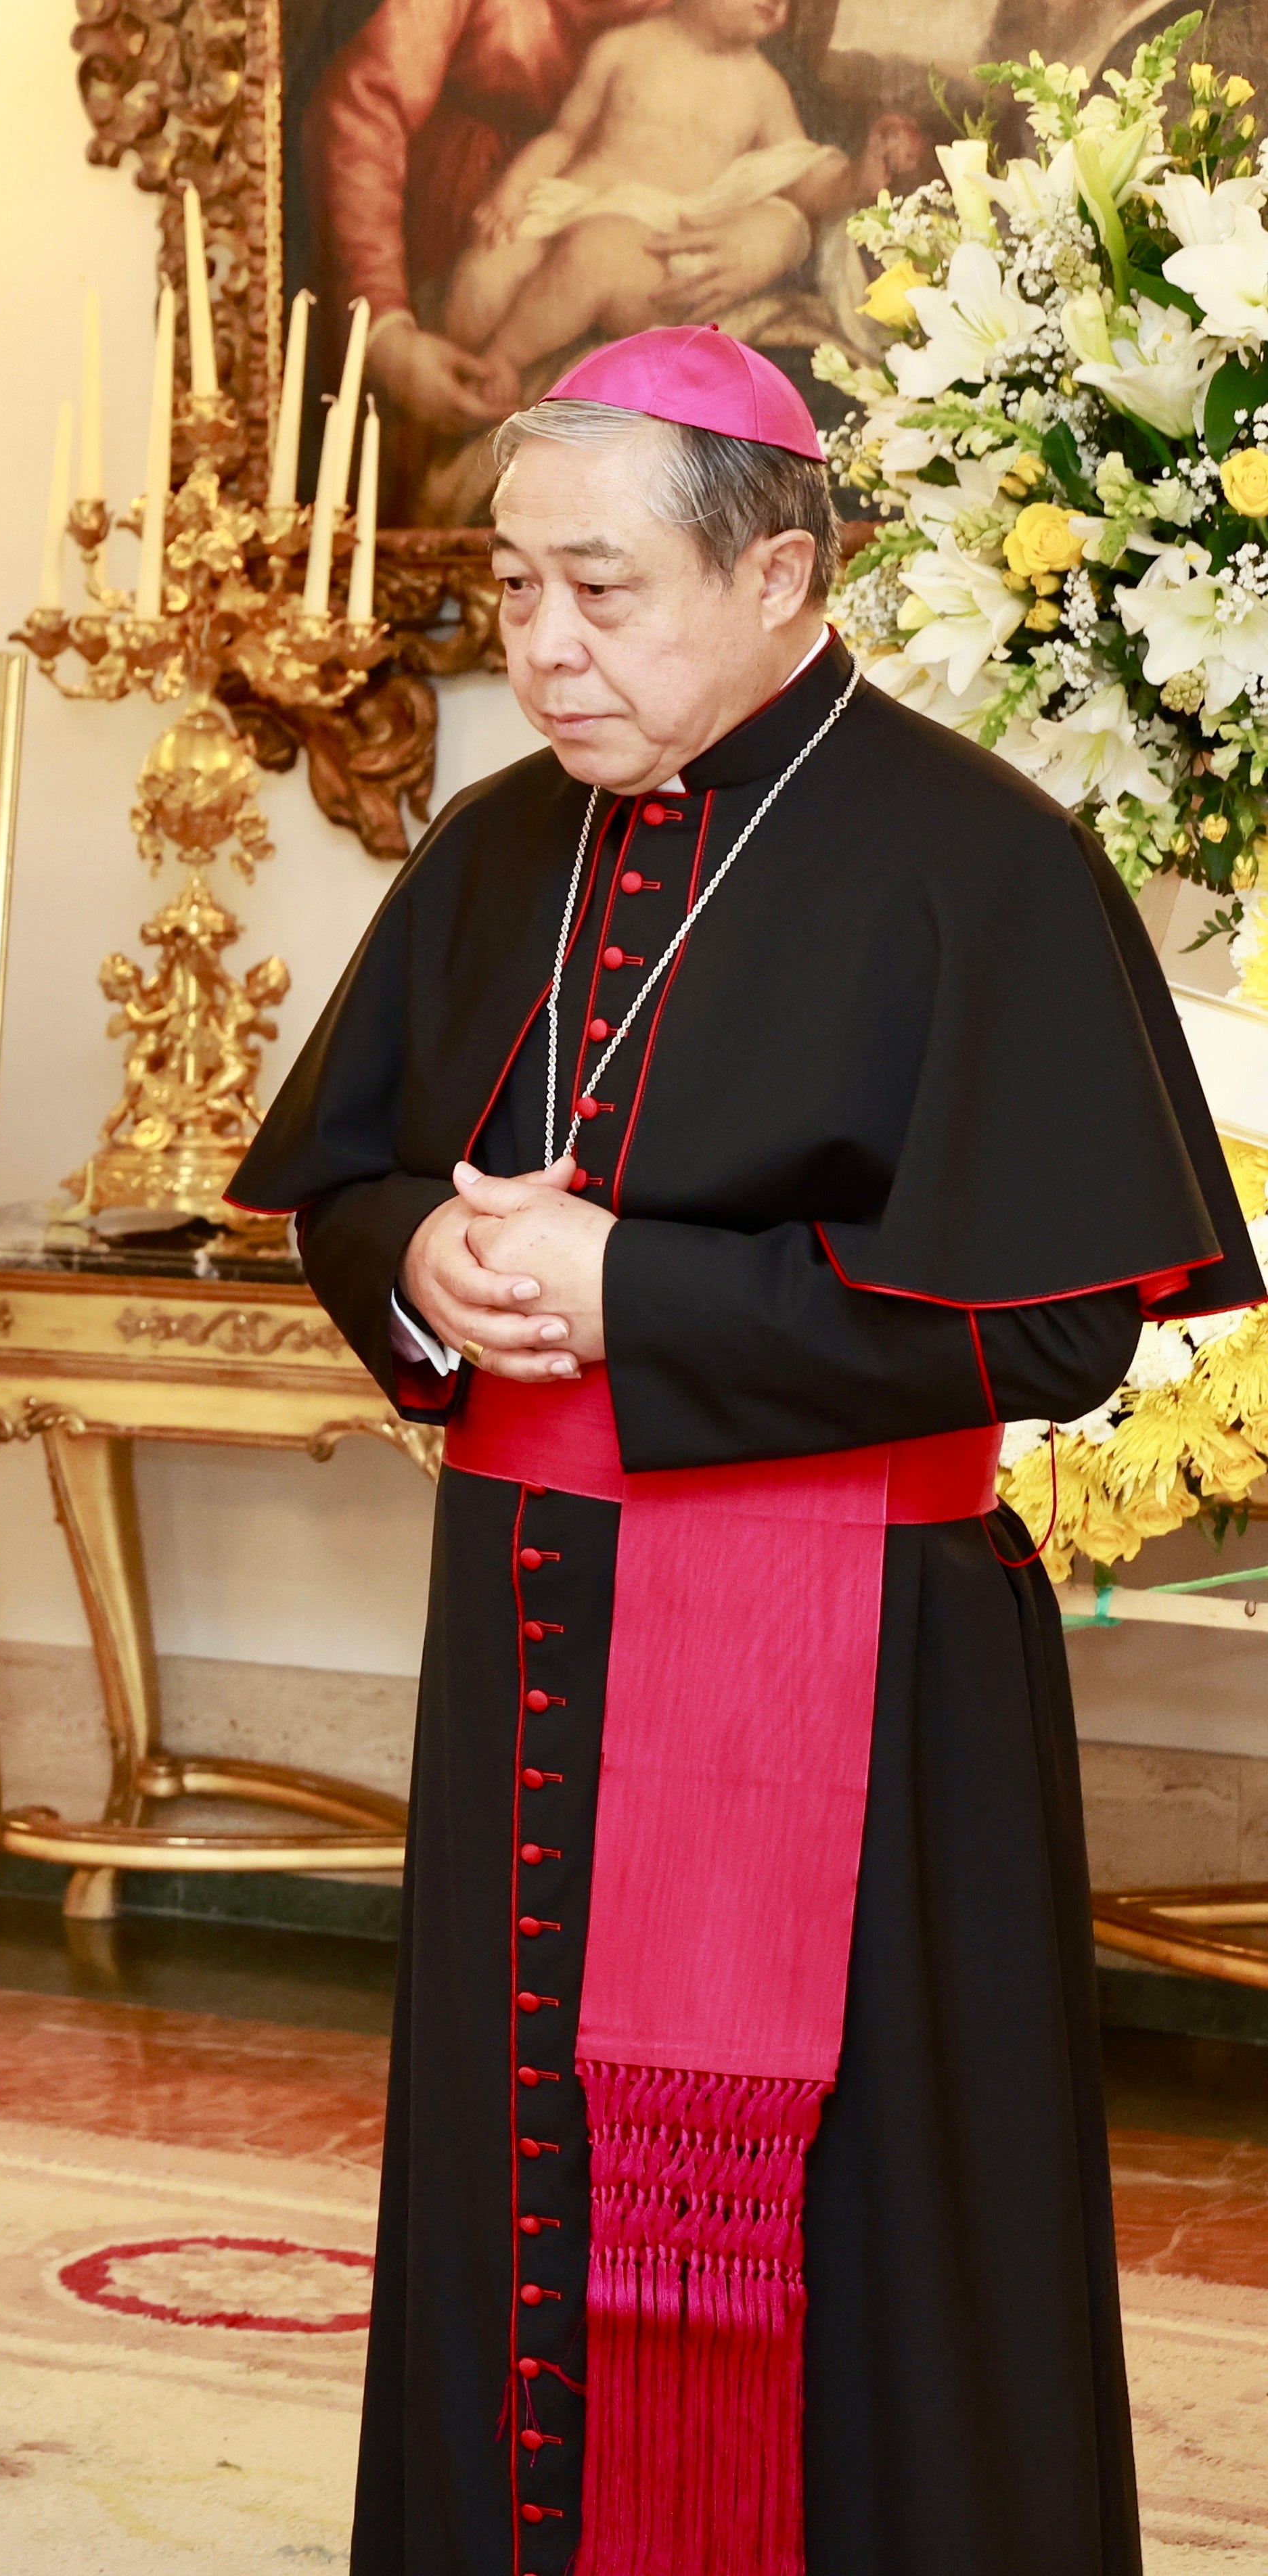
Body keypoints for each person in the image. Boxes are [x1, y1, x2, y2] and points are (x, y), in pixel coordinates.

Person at [231, 327, 1259, 2575]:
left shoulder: (972, 864)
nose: (544, 644)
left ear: (783, 567)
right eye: (512, 591)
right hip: (529, 1637)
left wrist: (637, 1295)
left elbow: (1066, 1313)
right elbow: (347, 1175)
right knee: (520, 2192)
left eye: (603, 589)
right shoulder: (503, 847)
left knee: (863, 2224)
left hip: (857, 1664)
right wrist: (428, 1262)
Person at [440, 0, 852, 375]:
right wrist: (512, 190)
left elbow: (801, 170)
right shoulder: (622, 48)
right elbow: (564, 137)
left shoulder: (764, 88)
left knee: (592, 256)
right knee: (480, 285)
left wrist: (857, 179)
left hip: (645, 242)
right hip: (569, 206)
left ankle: (503, 362)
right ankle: (445, 385)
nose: (777, 6)